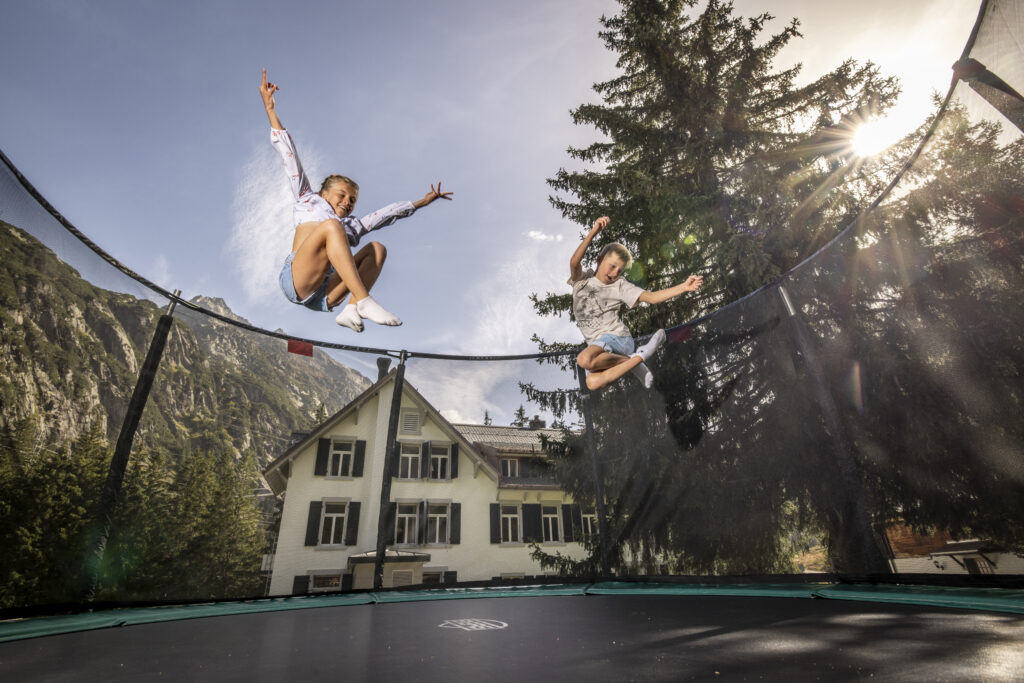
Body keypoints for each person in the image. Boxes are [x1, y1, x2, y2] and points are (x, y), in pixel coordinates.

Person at [259, 69, 453, 331]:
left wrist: (420, 203)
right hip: (297, 280)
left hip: (326, 294)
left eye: (352, 200)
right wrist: (271, 109)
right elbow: (289, 156)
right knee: (331, 227)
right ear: (323, 193)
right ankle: (363, 300)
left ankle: (350, 308)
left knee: (377, 248)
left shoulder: (351, 226)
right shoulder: (307, 198)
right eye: (342, 195)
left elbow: (384, 215)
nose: (347, 202)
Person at [569, 216, 703, 391]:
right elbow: (574, 262)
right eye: (612, 266)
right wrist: (593, 232)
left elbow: (651, 297)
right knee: (593, 383)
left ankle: (636, 358)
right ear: (599, 259)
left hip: (618, 338)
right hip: (602, 348)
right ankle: (638, 358)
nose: (615, 273)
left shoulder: (620, 285)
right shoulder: (581, 279)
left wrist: (683, 287)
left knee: (584, 360)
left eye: (620, 270)